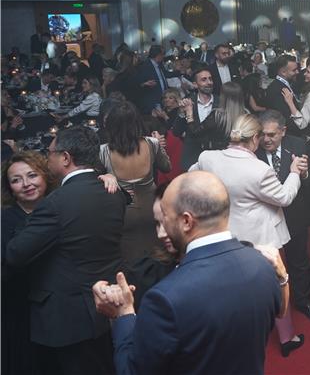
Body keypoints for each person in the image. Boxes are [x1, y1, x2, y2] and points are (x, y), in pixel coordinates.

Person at [92, 171, 283, 375]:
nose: (162, 229)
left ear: (186, 221)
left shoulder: (165, 298)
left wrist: (124, 315)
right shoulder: (262, 265)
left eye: (165, 217)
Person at [5, 126, 128, 375]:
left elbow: (15, 254)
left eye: (50, 153)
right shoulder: (114, 193)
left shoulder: (56, 203)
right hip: (106, 304)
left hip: (68, 317)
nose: (47, 158)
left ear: (65, 157)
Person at [189, 113, 308, 356]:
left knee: (234, 287)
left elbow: (192, 175)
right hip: (261, 237)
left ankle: (237, 336)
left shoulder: (208, 158)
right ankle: (287, 337)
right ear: (254, 138)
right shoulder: (259, 170)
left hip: (226, 234)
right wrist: (295, 172)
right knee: (277, 282)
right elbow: (284, 197)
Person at [256, 110, 310, 323]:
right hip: (265, 216)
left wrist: (304, 173)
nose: (266, 139)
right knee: (265, 264)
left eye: (271, 135)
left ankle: (303, 301)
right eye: (262, 134)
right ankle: (268, 307)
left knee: (299, 260)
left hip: (294, 214)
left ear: (283, 131)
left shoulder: (298, 145)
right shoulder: (252, 149)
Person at [2, 151, 57, 375]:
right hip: (19, 310)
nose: (26, 184)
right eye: (16, 180)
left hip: (56, 308)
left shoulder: (59, 207)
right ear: (10, 188)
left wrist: (107, 178)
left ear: (45, 175)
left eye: (32, 175)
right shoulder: (5, 220)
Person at [100, 101, 171, 264]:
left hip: (123, 212)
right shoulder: (151, 143)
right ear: (137, 122)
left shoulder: (103, 151)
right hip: (152, 208)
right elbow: (167, 167)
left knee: (129, 258)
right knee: (157, 256)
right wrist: (160, 145)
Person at [178, 81, 245, 170]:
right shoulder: (246, 116)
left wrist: (189, 112)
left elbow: (195, 132)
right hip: (237, 160)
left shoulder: (217, 115)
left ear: (223, 97)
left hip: (217, 160)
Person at [264, 54, 303, 136]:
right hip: (288, 135)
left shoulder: (285, 85)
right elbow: (284, 118)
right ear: (283, 72)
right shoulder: (276, 89)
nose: (297, 72)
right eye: (294, 70)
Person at [135, 45, 169, 113]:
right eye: (162, 54)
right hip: (153, 101)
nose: (163, 56)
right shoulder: (145, 66)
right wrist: (145, 84)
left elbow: (166, 74)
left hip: (163, 98)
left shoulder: (159, 64)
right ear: (158, 55)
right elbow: (138, 84)